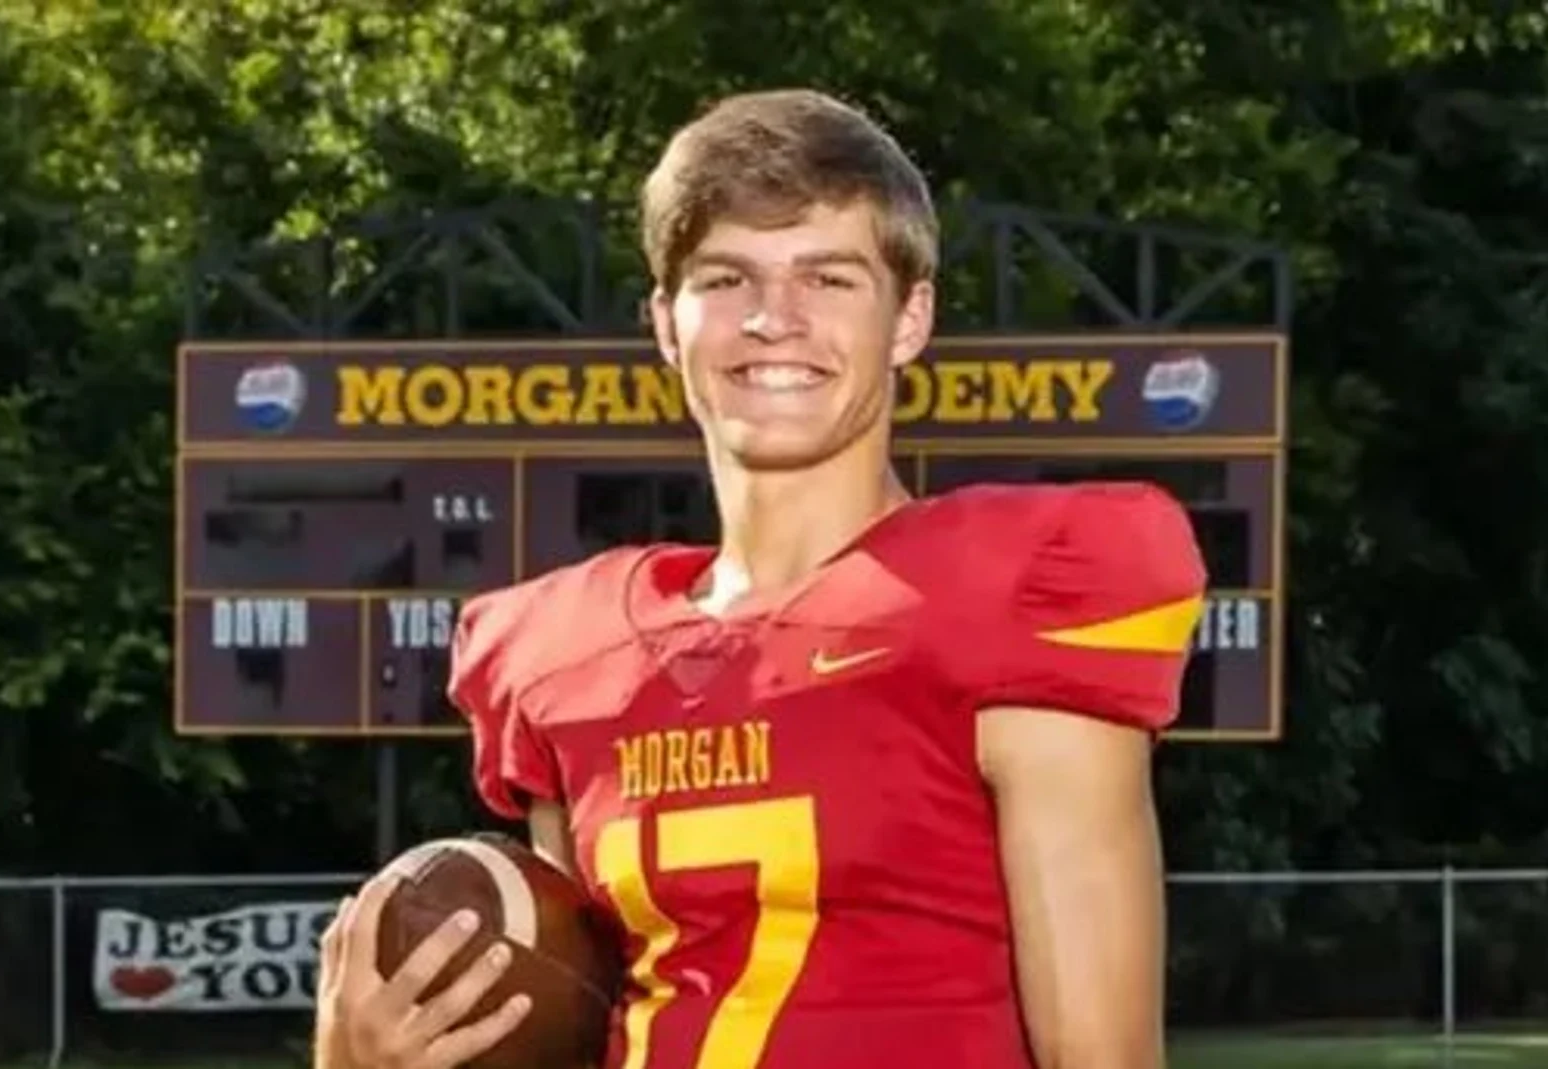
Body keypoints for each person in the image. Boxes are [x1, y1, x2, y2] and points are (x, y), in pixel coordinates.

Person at [316, 87, 1206, 1069]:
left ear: (910, 318)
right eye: (726, 279)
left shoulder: (1012, 594)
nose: (774, 319)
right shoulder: (568, 658)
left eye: (829, 278)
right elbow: (574, 1024)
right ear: (665, 322)